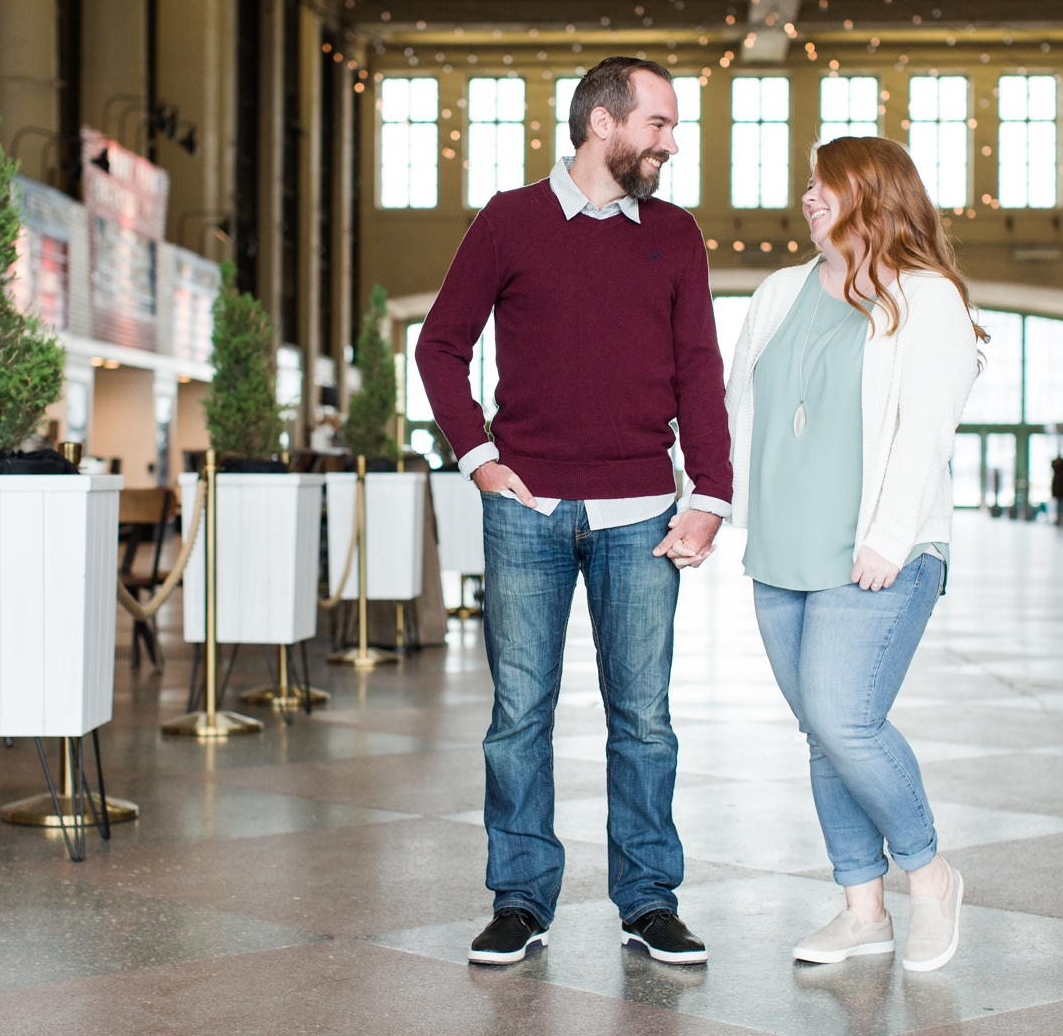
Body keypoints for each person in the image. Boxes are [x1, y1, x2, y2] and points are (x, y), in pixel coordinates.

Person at [416, 56, 731, 966]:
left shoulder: (675, 234)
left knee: (645, 719)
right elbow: (441, 346)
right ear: (603, 123)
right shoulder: (511, 221)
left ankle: (648, 899)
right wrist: (478, 458)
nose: (670, 142)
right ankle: (519, 899)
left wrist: (709, 494)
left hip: (644, 515)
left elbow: (699, 371)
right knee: (520, 713)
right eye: (660, 124)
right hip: (527, 511)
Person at [723, 136, 981, 973]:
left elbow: (925, 430)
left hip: (878, 553)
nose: (809, 199)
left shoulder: (924, 297)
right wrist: (717, 507)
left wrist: (889, 537)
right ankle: (861, 909)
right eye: (807, 185)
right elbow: (740, 409)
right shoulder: (778, 290)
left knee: (845, 718)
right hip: (782, 551)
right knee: (821, 734)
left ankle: (930, 874)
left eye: (824, 185)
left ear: (872, 193)